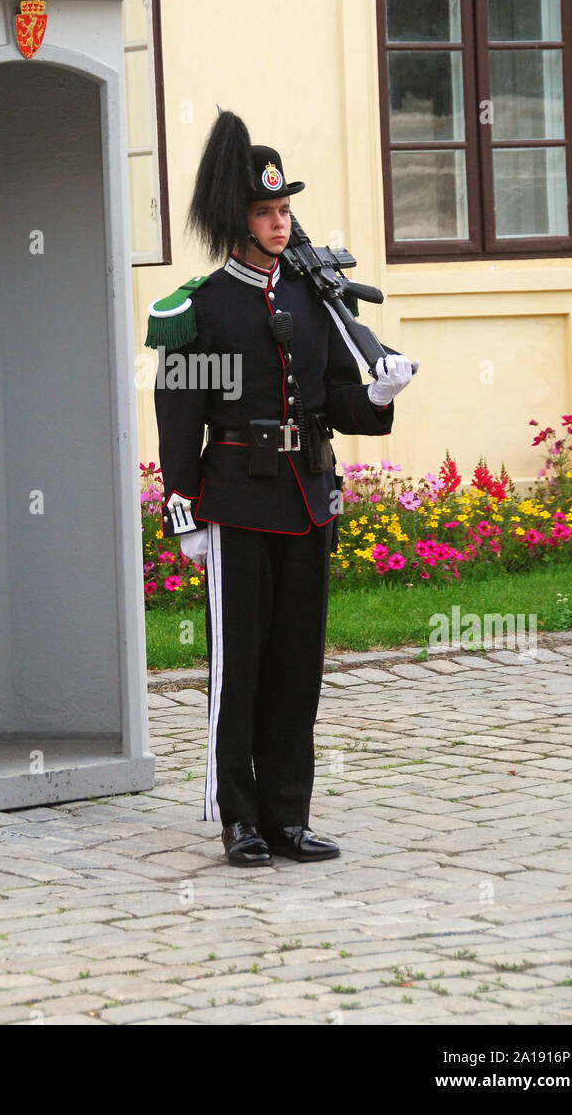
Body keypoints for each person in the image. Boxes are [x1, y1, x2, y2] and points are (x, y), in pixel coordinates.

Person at [146, 110, 416, 866]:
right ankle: (238, 817)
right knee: (240, 666)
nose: (278, 222)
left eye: (284, 209)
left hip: (306, 497)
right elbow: (179, 422)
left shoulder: (310, 298)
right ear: (237, 221)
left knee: (298, 663)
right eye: (265, 211)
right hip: (233, 501)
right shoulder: (196, 309)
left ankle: (287, 817)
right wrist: (184, 510)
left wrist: (382, 396)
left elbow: (335, 398)